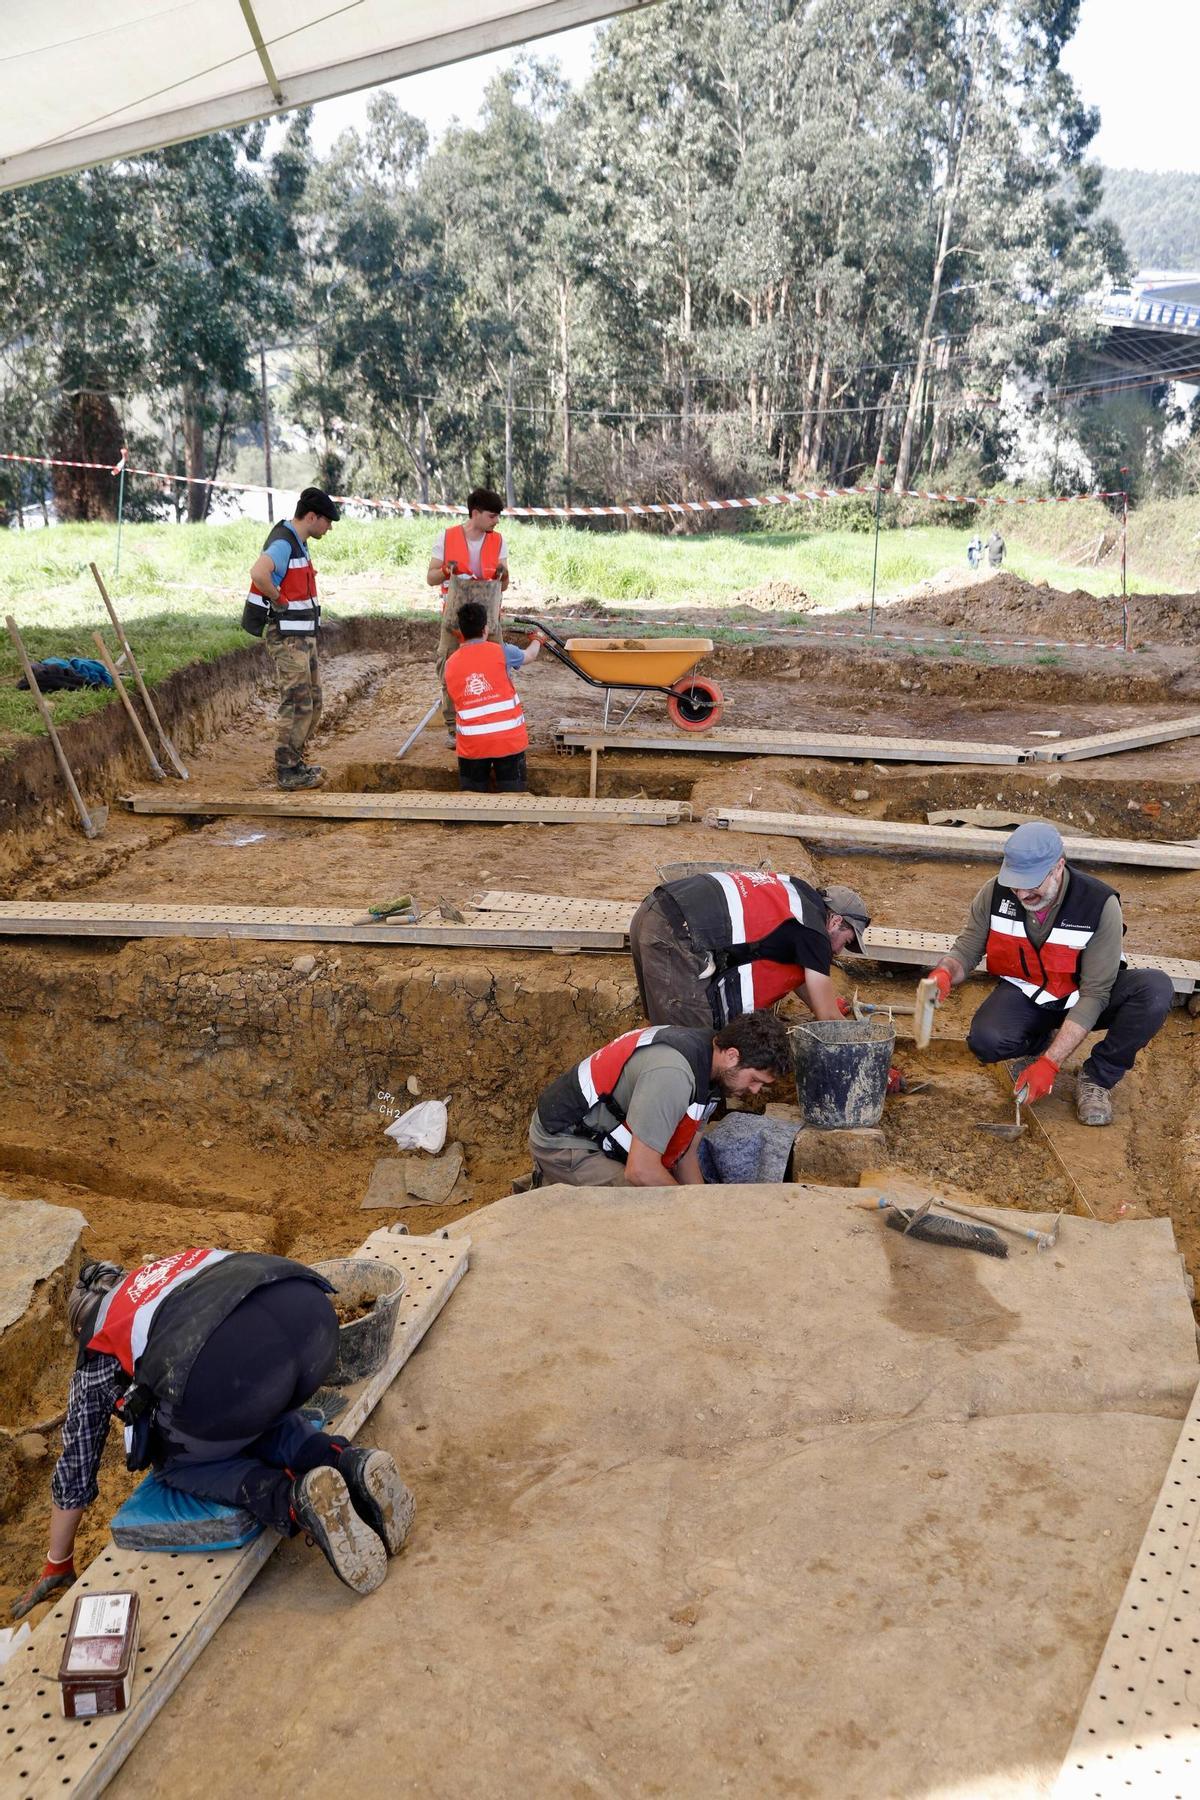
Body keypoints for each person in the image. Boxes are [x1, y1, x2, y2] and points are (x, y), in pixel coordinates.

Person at [11, 1248, 414, 1616]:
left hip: (237, 1372)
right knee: (258, 1404)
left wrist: (58, 1560)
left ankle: (292, 1498)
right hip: (311, 1319)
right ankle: (347, 1461)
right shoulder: (164, 1271)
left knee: (178, 1459)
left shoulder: (97, 1345)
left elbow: (77, 1465)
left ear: (83, 1324)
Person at [923, 821, 1173, 1126]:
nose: (1022, 892)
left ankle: (1098, 1078)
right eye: (1016, 882)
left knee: (1154, 990)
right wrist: (945, 972)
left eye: (1031, 882)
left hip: (1086, 994)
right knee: (986, 1041)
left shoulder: (1098, 904)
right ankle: (1042, 1040)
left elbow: (1096, 994)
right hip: (1031, 992)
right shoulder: (994, 893)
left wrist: (1049, 1065)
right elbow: (966, 950)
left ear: (1058, 867)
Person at [527, 1010, 791, 1189]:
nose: (755, 1091)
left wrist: (703, 1206)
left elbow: (685, 1151)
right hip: (563, 1142)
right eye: (755, 1079)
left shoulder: (711, 1067)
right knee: (647, 1209)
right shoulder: (674, 1074)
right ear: (733, 1055)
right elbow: (640, 1171)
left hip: (601, 1135)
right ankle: (554, 1184)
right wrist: (685, 1211)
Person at [630, 869, 871, 1029]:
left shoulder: (798, 894)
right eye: (847, 941)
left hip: (652, 909)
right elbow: (828, 1020)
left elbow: (802, 977)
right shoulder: (816, 935)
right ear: (836, 921)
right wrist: (864, 1050)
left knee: (662, 1026)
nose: (839, 952)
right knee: (693, 1041)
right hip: (674, 933)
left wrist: (822, 1002)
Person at [243, 487, 340, 791]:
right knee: (297, 704)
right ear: (312, 516)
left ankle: (295, 762)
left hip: (302, 636)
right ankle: (287, 770)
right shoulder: (284, 542)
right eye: (327, 521)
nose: (330, 527)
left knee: (313, 703)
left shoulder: (299, 542)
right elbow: (259, 572)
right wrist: (279, 599)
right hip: (288, 637)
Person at [427, 487, 511, 738]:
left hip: (489, 619)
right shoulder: (447, 537)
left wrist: (503, 574)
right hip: (455, 618)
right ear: (475, 513)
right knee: (450, 669)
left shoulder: (498, 540)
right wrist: (444, 569)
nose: (496, 521)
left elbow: (503, 584)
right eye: (492, 516)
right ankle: (455, 729)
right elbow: (430, 578)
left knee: (496, 667)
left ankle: (493, 722)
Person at [444, 599, 541, 793]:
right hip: (508, 741)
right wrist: (538, 640)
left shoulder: (450, 664)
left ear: (460, 633)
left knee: (472, 797)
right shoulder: (502, 652)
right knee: (514, 797)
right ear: (485, 629)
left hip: (473, 746)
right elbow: (530, 656)